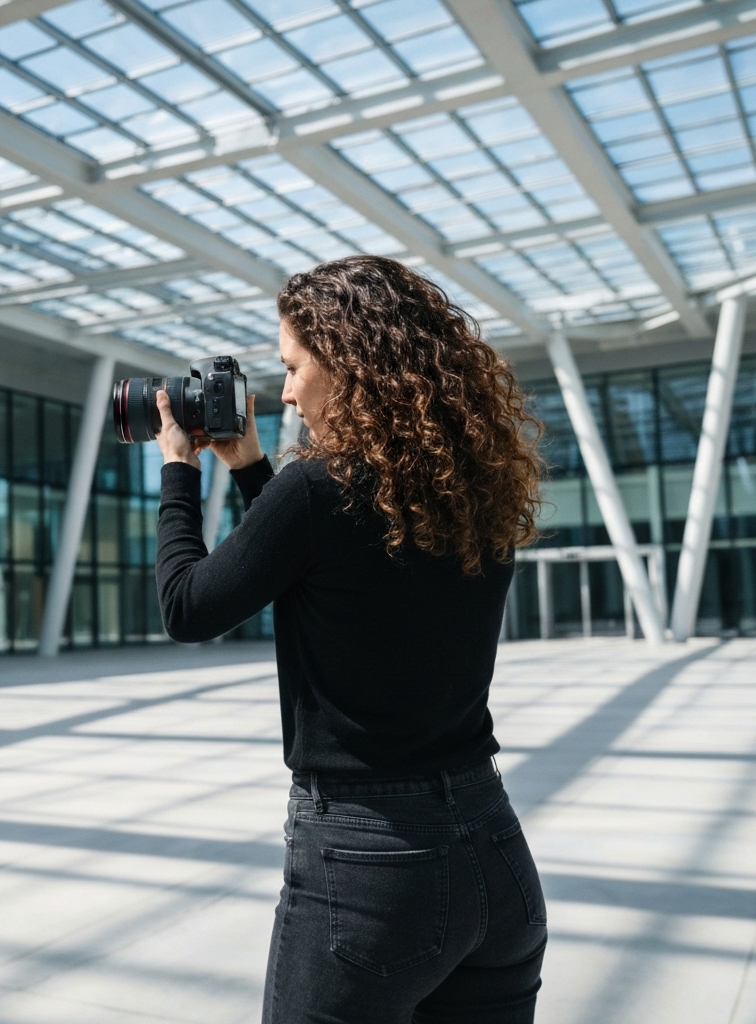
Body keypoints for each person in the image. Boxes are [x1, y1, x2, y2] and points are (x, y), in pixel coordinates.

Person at [153, 255, 547, 1024]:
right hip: (495, 852)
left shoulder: (314, 491)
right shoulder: (470, 493)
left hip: (371, 866)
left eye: (296, 368)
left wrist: (177, 473)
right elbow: (336, 569)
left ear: (353, 366)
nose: (288, 391)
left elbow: (187, 607)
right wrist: (252, 471)